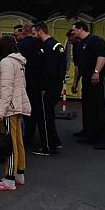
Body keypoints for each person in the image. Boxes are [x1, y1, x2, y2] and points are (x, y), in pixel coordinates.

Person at [0, 35, 32, 191]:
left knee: (9, 143)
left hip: (9, 107)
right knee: (18, 140)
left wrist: (0, 111)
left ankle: (9, 179)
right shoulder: (19, 62)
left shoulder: (6, 62)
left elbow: (6, 89)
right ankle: (19, 173)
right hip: (18, 105)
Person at [71, 21, 105, 149]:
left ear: (81, 29)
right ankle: (91, 134)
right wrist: (75, 82)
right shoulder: (79, 45)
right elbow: (78, 66)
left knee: (102, 106)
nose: (72, 32)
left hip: (100, 79)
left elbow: (101, 57)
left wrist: (96, 72)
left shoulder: (96, 40)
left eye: (73, 30)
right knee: (89, 106)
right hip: (87, 79)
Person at [32, 21, 66, 155]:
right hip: (56, 87)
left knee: (44, 117)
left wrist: (43, 87)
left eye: (34, 33)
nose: (34, 36)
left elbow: (49, 70)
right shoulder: (57, 45)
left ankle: (47, 146)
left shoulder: (48, 47)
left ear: (40, 31)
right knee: (50, 115)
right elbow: (62, 68)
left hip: (47, 88)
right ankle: (55, 141)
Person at [18, 22, 44, 147]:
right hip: (38, 81)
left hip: (25, 80)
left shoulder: (21, 45)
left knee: (26, 110)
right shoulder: (40, 44)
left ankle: (27, 137)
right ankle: (38, 135)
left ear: (23, 32)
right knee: (37, 109)